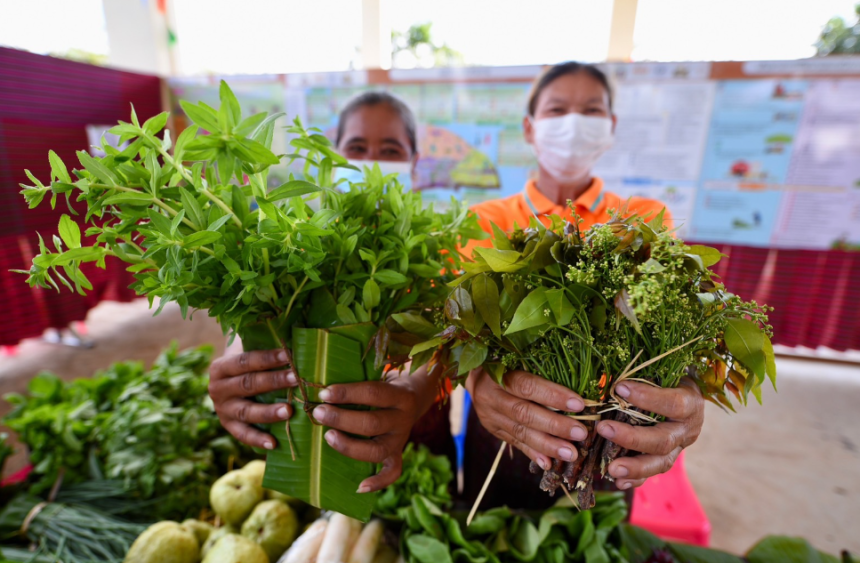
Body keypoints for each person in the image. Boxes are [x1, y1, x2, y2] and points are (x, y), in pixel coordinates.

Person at [461, 62, 705, 509]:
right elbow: (459, 331)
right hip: (507, 432)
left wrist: (684, 384)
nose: (573, 123)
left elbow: (664, 315)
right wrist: (476, 380)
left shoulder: (644, 220)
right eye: (557, 110)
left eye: (591, 110)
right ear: (530, 129)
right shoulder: (486, 221)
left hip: (616, 433)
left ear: (610, 128)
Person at [207, 92, 450, 494]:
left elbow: (450, 343)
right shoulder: (298, 240)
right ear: (332, 155)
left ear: (414, 162)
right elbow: (259, 318)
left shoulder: (434, 246)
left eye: (389, 149)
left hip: (419, 437)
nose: (370, 160)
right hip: (312, 448)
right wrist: (241, 363)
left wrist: (416, 389)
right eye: (356, 148)